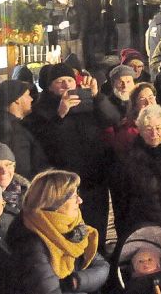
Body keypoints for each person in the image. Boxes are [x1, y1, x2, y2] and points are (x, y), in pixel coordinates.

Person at [25, 63, 114, 249]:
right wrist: (60, 115)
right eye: (60, 82)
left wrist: (97, 96)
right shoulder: (40, 111)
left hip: (94, 180)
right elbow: (42, 144)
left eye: (69, 80)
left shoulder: (88, 102)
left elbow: (112, 118)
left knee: (96, 228)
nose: (66, 85)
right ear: (49, 87)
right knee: (70, 232)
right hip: (65, 184)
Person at [7, 169, 109, 294]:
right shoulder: (31, 242)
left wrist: (76, 281)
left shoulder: (74, 227)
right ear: (54, 202)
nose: (80, 200)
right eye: (73, 196)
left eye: (78, 193)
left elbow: (103, 267)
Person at [115, 105, 161, 239]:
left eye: (158, 128)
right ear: (140, 130)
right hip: (146, 228)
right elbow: (123, 202)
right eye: (148, 129)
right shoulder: (129, 159)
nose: (154, 133)